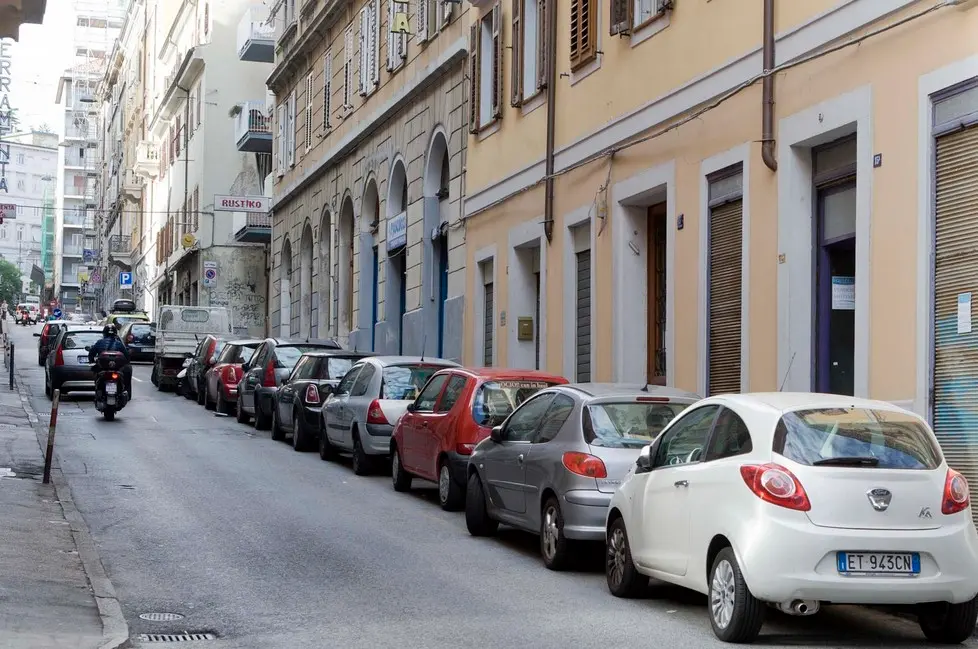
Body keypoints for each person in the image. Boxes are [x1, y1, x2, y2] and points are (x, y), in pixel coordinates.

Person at [88, 324, 132, 397]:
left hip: (103, 370)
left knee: (96, 373)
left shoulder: (99, 342)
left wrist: (91, 361)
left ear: (104, 333)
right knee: (128, 369)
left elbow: (91, 353)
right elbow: (127, 356)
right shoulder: (119, 344)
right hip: (116, 370)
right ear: (115, 333)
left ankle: (98, 390)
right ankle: (126, 390)